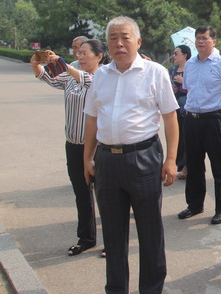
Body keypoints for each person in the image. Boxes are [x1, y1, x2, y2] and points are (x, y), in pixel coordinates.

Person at [83, 16, 179, 294]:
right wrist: (87, 158)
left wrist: (171, 160)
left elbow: (170, 117)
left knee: (150, 232)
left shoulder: (155, 72)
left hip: (143, 158)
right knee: (113, 235)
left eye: (125, 37)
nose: (119, 43)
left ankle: (151, 289)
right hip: (107, 161)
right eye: (113, 38)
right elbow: (92, 119)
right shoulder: (100, 76)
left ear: (138, 41)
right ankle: (116, 289)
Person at [30, 40, 108, 256]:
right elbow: (50, 78)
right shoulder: (71, 76)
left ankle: (113, 241)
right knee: (81, 193)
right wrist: (37, 64)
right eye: (78, 53)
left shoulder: (102, 77)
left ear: (99, 56)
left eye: (85, 53)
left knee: (105, 195)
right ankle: (86, 238)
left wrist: (64, 65)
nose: (80, 57)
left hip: (97, 147)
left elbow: (86, 81)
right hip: (73, 145)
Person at [178, 26, 221, 224]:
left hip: (214, 120)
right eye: (198, 38)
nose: (200, 41)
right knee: (193, 165)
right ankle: (194, 205)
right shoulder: (190, 64)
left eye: (204, 38)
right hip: (191, 120)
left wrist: (220, 116)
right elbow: (189, 90)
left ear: (214, 41)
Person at [168, 44, 191, 179]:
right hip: (175, 108)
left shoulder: (192, 69)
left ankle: (187, 167)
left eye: (176, 53)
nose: (174, 56)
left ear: (185, 55)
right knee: (178, 138)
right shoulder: (172, 70)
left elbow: (197, 87)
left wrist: (184, 81)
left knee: (187, 138)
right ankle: (181, 167)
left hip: (188, 109)